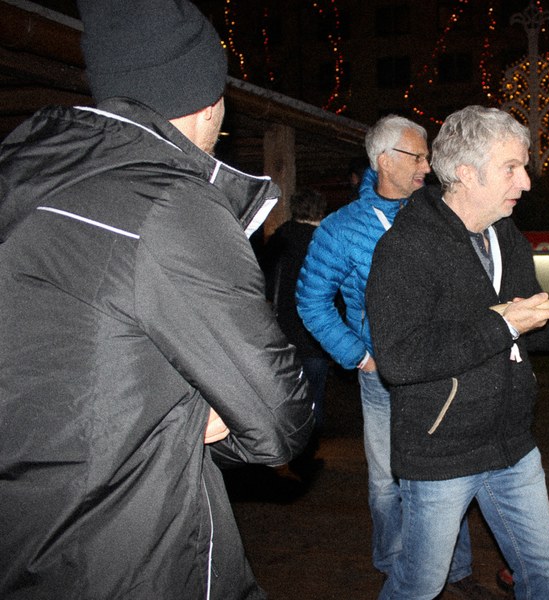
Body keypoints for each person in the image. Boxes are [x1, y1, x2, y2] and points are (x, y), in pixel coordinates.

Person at [0, 1, 314, 598]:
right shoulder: (169, 204)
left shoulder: (18, 176)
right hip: (129, 553)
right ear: (209, 103)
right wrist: (196, 417)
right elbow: (278, 420)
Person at [366, 105, 549, 600]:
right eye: (511, 168)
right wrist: (503, 322)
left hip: (511, 442)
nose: (526, 182)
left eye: (524, 167)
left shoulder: (506, 237)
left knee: (545, 572)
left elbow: (524, 335)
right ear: (466, 173)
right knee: (419, 585)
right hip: (442, 453)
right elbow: (400, 358)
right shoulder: (406, 248)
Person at [296, 115, 491, 597]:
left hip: (440, 368)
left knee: (448, 471)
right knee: (387, 481)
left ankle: (456, 569)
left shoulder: (439, 211)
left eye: (428, 156)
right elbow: (311, 301)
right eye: (417, 156)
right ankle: (393, 565)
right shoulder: (341, 228)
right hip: (382, 377)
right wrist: (360, 357)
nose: (427, 166)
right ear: (384, 160)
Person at [263, 187, 329, 433]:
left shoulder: (279, 240)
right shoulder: (326, 241)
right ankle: (312, 438)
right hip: (316, 333)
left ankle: (291, 437)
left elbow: (265, 285)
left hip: (283, 330)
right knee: (315, 392)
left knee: (288, 394)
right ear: (320, 210)